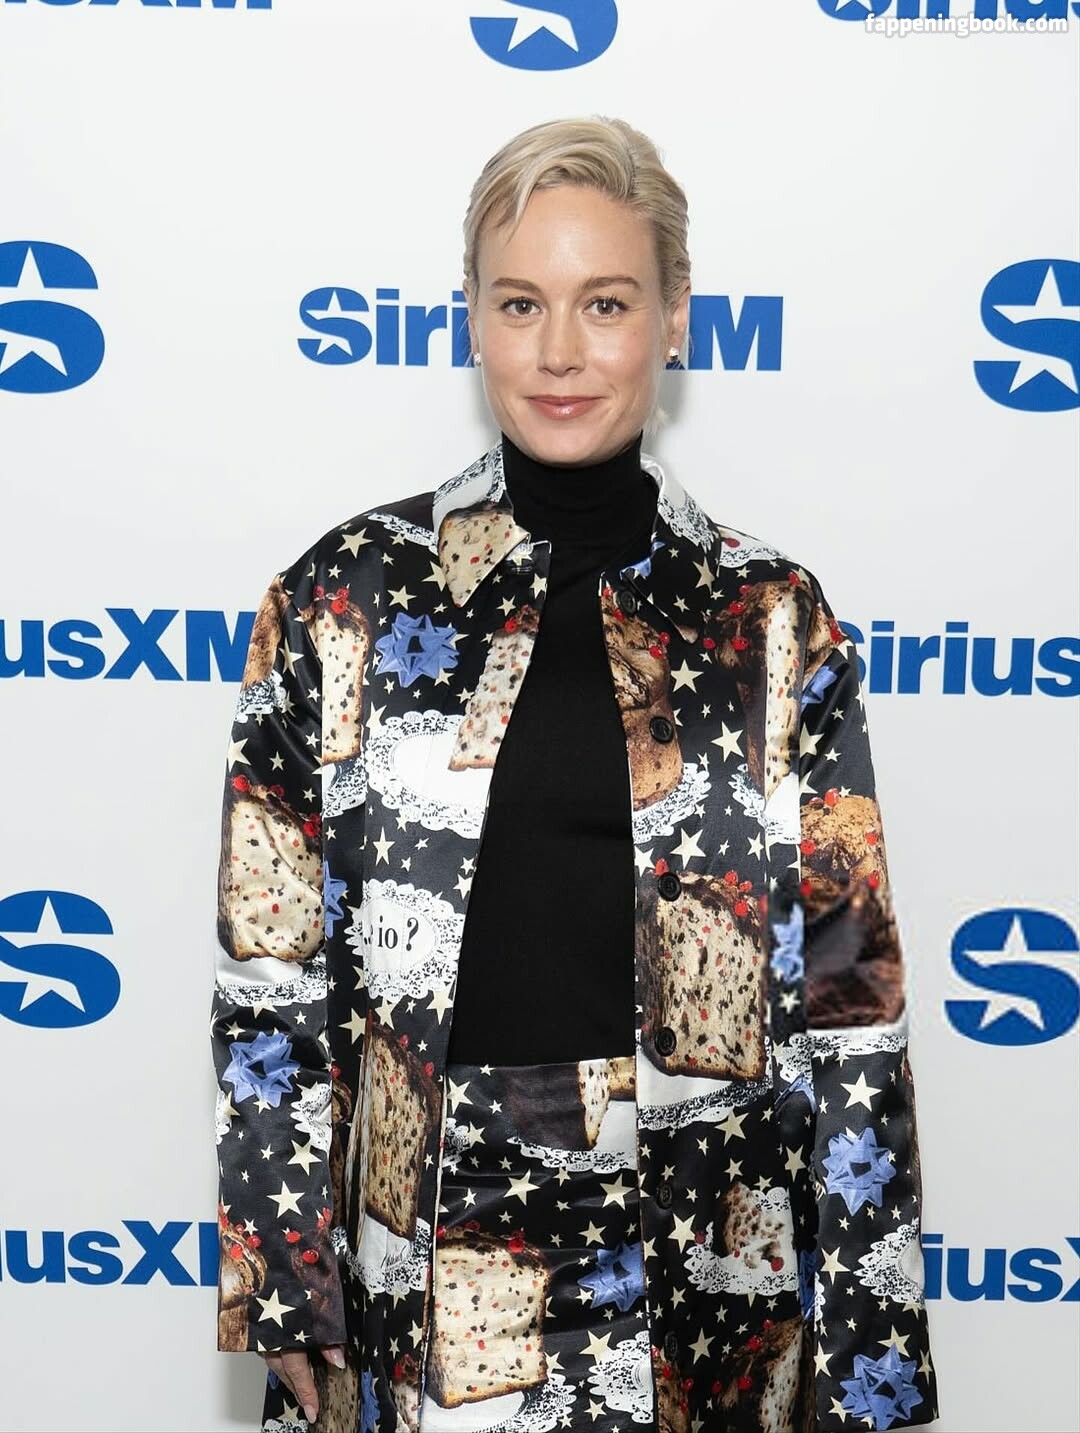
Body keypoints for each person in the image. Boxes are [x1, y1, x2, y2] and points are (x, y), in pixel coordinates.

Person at [211, 115, 939, 1433]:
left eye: (605, 303)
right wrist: (281, 1279)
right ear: (473, 320)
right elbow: (271, 976)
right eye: (520, 303)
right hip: (423, 1260)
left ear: (675, 319)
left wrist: (872, 1339)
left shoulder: (773, 619)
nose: (559, 351)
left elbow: (853, 999)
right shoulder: (342, 602)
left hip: (711, 1266)